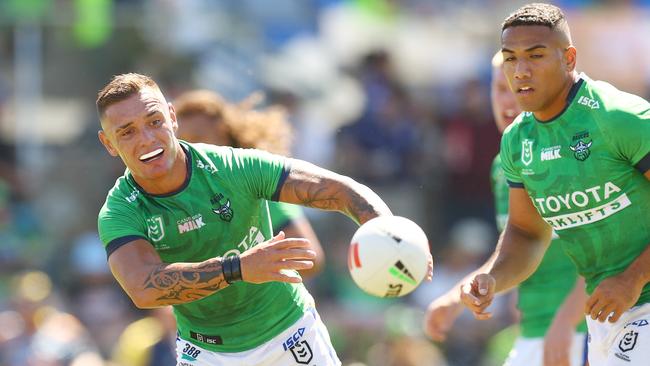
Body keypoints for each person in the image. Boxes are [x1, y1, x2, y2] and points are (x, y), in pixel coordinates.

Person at [96, 73, 432, 365]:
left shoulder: (232, 167)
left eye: (154, 121)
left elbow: (340, 190)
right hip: (207, 352)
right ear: (108, 144)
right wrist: (239, 268)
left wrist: (391, 235)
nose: (146, 139)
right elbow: (143, 288)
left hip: (291, 334)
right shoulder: (119, 211)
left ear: (171, 116)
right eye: (126, 132)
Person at [458, 3, 650, 366]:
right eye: (510, 59)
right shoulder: (517, 141)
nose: (521, 71)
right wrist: (492, 278)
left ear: (570, 58)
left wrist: (633, 278)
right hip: (609, 315)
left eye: (536, 56)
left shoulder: (617, 117)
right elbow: (527, 234)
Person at [424, 51, 587, 366]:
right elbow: (514, 251)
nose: (509, 100)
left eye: (519, 89)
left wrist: (568, 323)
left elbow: (611, 251)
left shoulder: (573, 155)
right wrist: (457, 298)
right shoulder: (504, 167)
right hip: (534, 333)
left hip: (587, 330)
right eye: (500, 89)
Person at [173, 89, 324, 278]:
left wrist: (244, 270)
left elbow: (311, 259)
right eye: (182, 143)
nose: (189, 150)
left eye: (197, 138)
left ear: (224, 135)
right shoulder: (178, 201)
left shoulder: (257, 185)